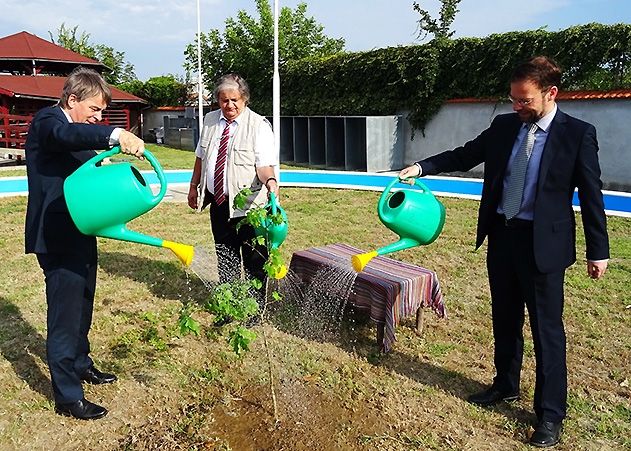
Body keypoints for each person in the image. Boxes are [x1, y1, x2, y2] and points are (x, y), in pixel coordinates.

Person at [399, 56, 609, 448]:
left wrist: (599, 251)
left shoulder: (577, 134)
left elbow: (592, 195)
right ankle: (505, 385)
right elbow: (465, 154)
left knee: (548, 332)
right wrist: (422, 167)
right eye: (513, 99)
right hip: (503, 235)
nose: (517, 107)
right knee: (505, 317)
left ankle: (550, 414)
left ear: (551, 93)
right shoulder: (505, 125)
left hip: (542, 245)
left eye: (524, 100)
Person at [25, 66, 145, 420]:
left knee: (83, 302)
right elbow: (66, 135)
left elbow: (81, 159)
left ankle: (80, 363)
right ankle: (67, 395)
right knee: (64, 315)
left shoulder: (78, 131)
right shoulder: (47, 122)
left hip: (81, 230)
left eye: (102, 114)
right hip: (57, 235)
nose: (97, 117)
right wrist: (114, 134)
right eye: (93, 110)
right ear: (72, 99)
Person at [188, 73, 279, 289]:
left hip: (250, 209)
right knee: (226, 256)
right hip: (219, 203)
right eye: (224, 100)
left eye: (234, 100)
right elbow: (201, 156)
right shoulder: (210, 120)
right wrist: (193, 186)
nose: (229, 105)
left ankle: (254, 311)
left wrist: (271, 182)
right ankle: (229, 305)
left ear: (244, 99)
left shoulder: (259, 126)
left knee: (255, 260)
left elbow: (264, 166)